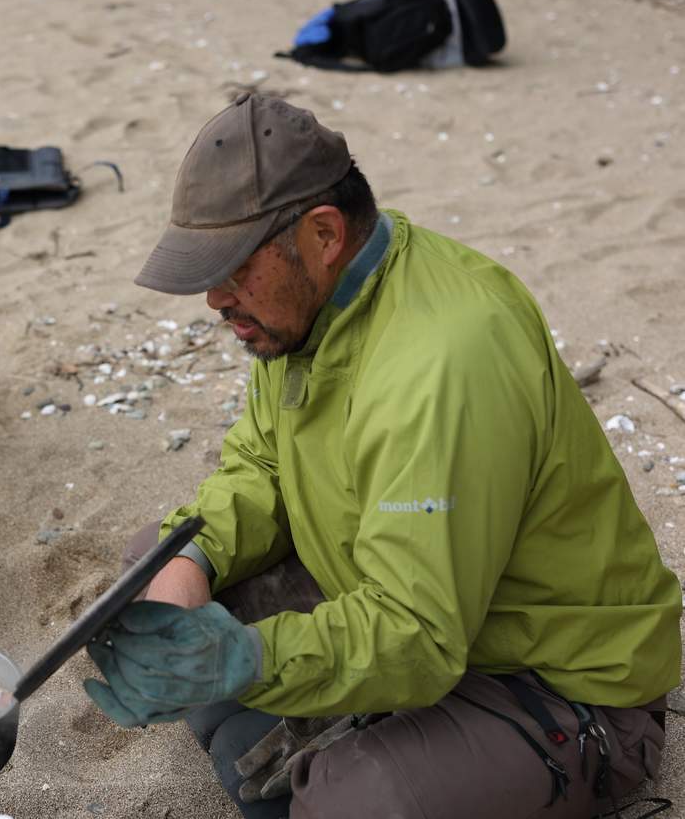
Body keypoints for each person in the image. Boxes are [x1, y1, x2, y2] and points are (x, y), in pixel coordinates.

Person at [82, 93, 681, 818]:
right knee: (158, 562)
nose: (215, 298)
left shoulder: (443, 360)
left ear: (324, 232)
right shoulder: (305, 304)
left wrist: (247, 659)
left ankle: (350, 753)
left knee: (358, 801)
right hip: (399, 587)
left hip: (548, 675)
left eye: (233, 269)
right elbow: (260, 467)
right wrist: (191, 560)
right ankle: (334, 734)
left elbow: (419, 635)